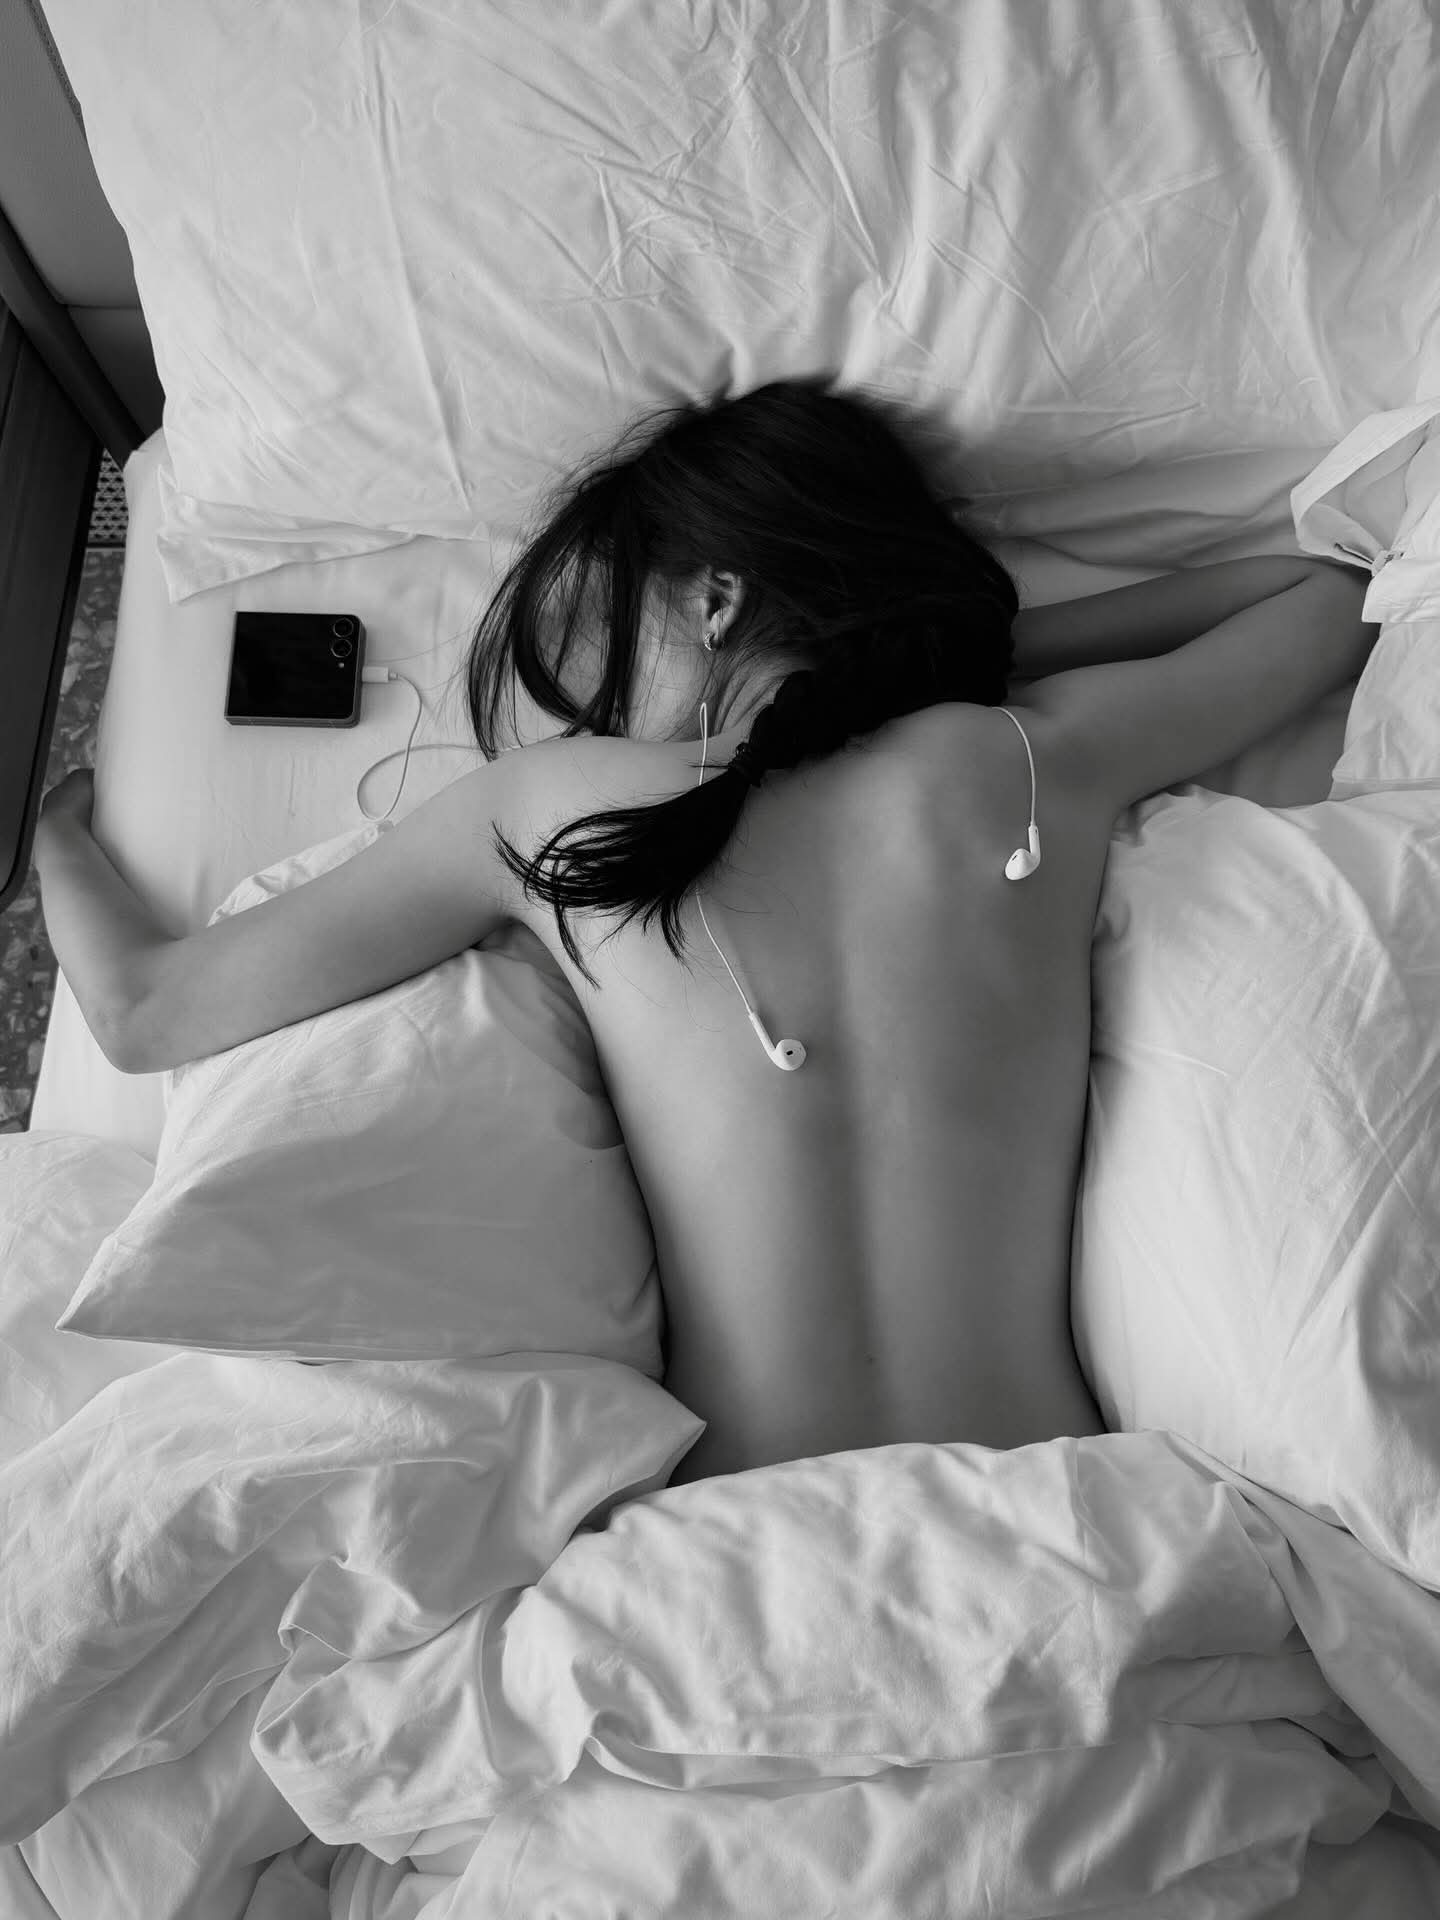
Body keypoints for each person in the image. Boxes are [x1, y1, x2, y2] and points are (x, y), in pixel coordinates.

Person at [35, 379, 1377, 1483]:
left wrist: (52, 833)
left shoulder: (550, 808)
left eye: (609, 653)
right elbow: (1331, 598)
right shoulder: (1025, 759)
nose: (602, 715)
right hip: (1052, 1502)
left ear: (716, 600)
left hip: (741, 1529)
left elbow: (145, 1009)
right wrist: (974, 658)